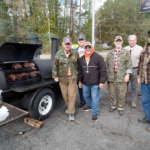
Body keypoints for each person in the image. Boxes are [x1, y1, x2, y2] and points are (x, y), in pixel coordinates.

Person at [78, 41, 107, 122]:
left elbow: (103, 70)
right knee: (85, 96)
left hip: (95, 83)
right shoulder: (81, 59)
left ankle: (95, 113)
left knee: (95, 98)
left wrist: (102, 82)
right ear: (84, 48)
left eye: (89, 47)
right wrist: (79, 81)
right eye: (86, 47)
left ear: (92, 48)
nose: (87, 49)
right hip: (85, 83)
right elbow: (79, 71)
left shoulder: (98, 57)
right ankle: (90, 106)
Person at [52, 37, 79, 121]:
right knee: (65, 96)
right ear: (63, 44)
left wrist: (79, 76)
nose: (67, 45)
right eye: (66, 44)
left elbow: (79, 64)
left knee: (72, 95)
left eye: (69, 44)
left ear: (71, 44)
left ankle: (71, 113)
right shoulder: (58, 53)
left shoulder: (75, 53)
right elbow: (55, 65)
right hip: (62, 78)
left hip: (72, 78)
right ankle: (70, 107)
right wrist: (55, 76)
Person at [106, 36, 132, 115]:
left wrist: (127, 75)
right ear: (114, 42)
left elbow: (129, 64)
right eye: (116, 41)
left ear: (122, 42)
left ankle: (121, 107)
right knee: (112, 92)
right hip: (111, 76)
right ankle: (113, 105)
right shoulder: (110, 53)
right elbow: (107, 64)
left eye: (119, 41)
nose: (118, 42)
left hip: (122, 76)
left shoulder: (126, 52)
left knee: (122, 92)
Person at [124, 35, 143, 108]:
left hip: (135, 69)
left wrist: (140, 73)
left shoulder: (140, 49)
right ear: (128, 41)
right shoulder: (125, 48)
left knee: (134, 86)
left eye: (133, 40)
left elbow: (141, 61)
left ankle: (133, 101)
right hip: (126, 70)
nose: (131, 42)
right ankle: (124, 98)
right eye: (130, 40)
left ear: (136, 41)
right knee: (124, 85)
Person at [137, 30, 150, 124]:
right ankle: (148, 118)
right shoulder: (145, 48)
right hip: (144, 80)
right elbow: (140, 63)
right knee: (145, 101)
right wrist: (138, 76)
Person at [76, 34, 86, 108]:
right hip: (78, 72)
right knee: (80, 87)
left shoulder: (88, 48)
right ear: (78, 42)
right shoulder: (75, 51)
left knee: (88, 87)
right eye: (80, 40)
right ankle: (82, 101)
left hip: (87, 71)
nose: (81, 41)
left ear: (84, 41)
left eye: (82, 40)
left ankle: (89, 100)